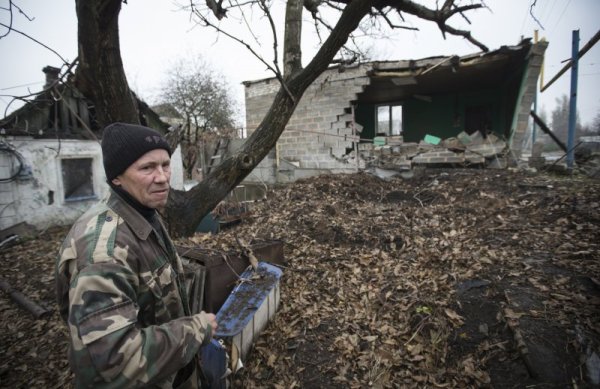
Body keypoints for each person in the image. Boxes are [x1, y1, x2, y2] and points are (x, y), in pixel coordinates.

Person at [56, 122, 219, 388]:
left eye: (165, 164)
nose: (163, 177)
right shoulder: (104, 252)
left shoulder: (142, 212)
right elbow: (113, 361)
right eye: (147, 168)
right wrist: (196, 330)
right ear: (116, 178)